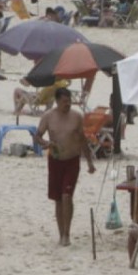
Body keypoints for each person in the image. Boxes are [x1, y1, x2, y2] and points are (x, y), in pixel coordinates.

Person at [36, 87, 97, 246]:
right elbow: (37, 136)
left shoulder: (76, 117)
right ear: (57, 101)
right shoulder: (48, 116)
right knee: (58, 199)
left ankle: (67, 234)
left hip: (72, 160)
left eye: (69, 101)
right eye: (64, 102)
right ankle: (61, 232)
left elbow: (82, 139)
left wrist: (89, 162)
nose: (67, 104)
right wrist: (45, 143)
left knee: (67, 196)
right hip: (55, 160)